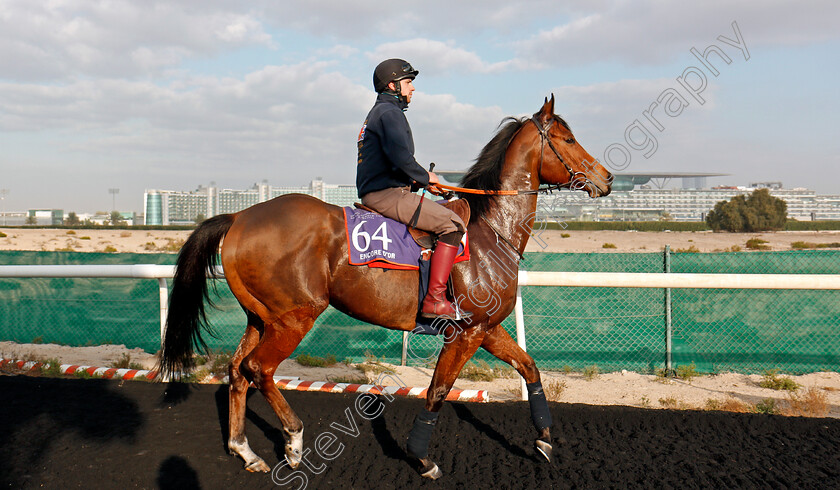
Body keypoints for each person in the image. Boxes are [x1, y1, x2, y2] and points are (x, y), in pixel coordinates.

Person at [356, 58, 466, 319]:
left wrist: (422, 181)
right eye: (408, 83)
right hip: (386, 194)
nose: (412, 89)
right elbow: (400, 158)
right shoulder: (389, 113)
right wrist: (427, 177)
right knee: (453, 224)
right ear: (393, 85)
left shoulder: (381, 112)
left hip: (384, 189)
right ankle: (435, 300)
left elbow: (390, 162)